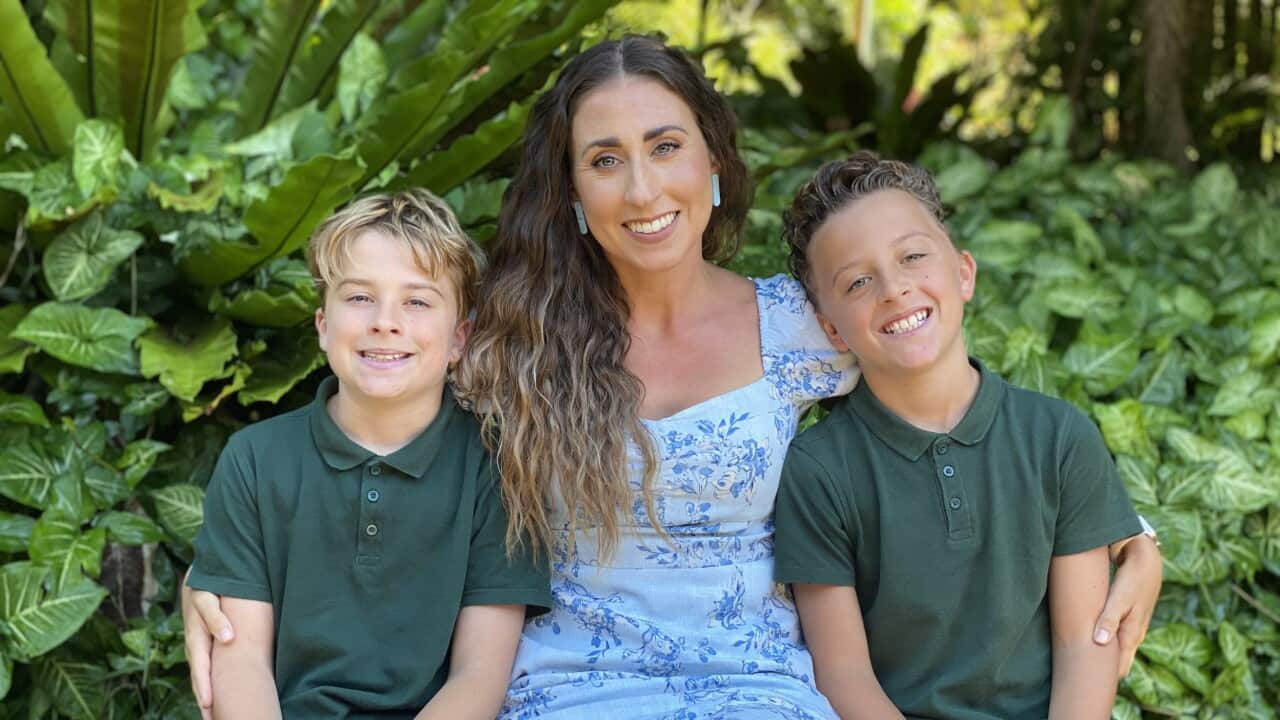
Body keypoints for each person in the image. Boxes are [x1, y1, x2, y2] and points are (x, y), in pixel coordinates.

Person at [183, 36, 1163, 720]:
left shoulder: (802, 324)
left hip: (765, 689)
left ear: (713, 163)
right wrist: (222, 582)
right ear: (571, 193)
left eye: (664, 148)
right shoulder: (510, 348)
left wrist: (1131, 534)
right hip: (562, 691)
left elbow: (942, 394)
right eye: (603, 161)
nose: (642, 190)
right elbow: (379, 436)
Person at [773, 151, 1140, 719]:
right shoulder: (820, 469)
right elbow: (844, 676)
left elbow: (1082, 645)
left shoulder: (1059, 437)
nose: (893, 289)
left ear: (963, 273)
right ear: (831, 329)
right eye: (858, 282)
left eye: (913, 256)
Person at [185, 190, 550, 719]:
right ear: (322, 326)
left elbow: (481, 673)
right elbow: (240, 660)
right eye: (359, 297)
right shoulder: (255, 460)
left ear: (459, 339)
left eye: (418, 301)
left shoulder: (496, 466)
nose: (385, 321)